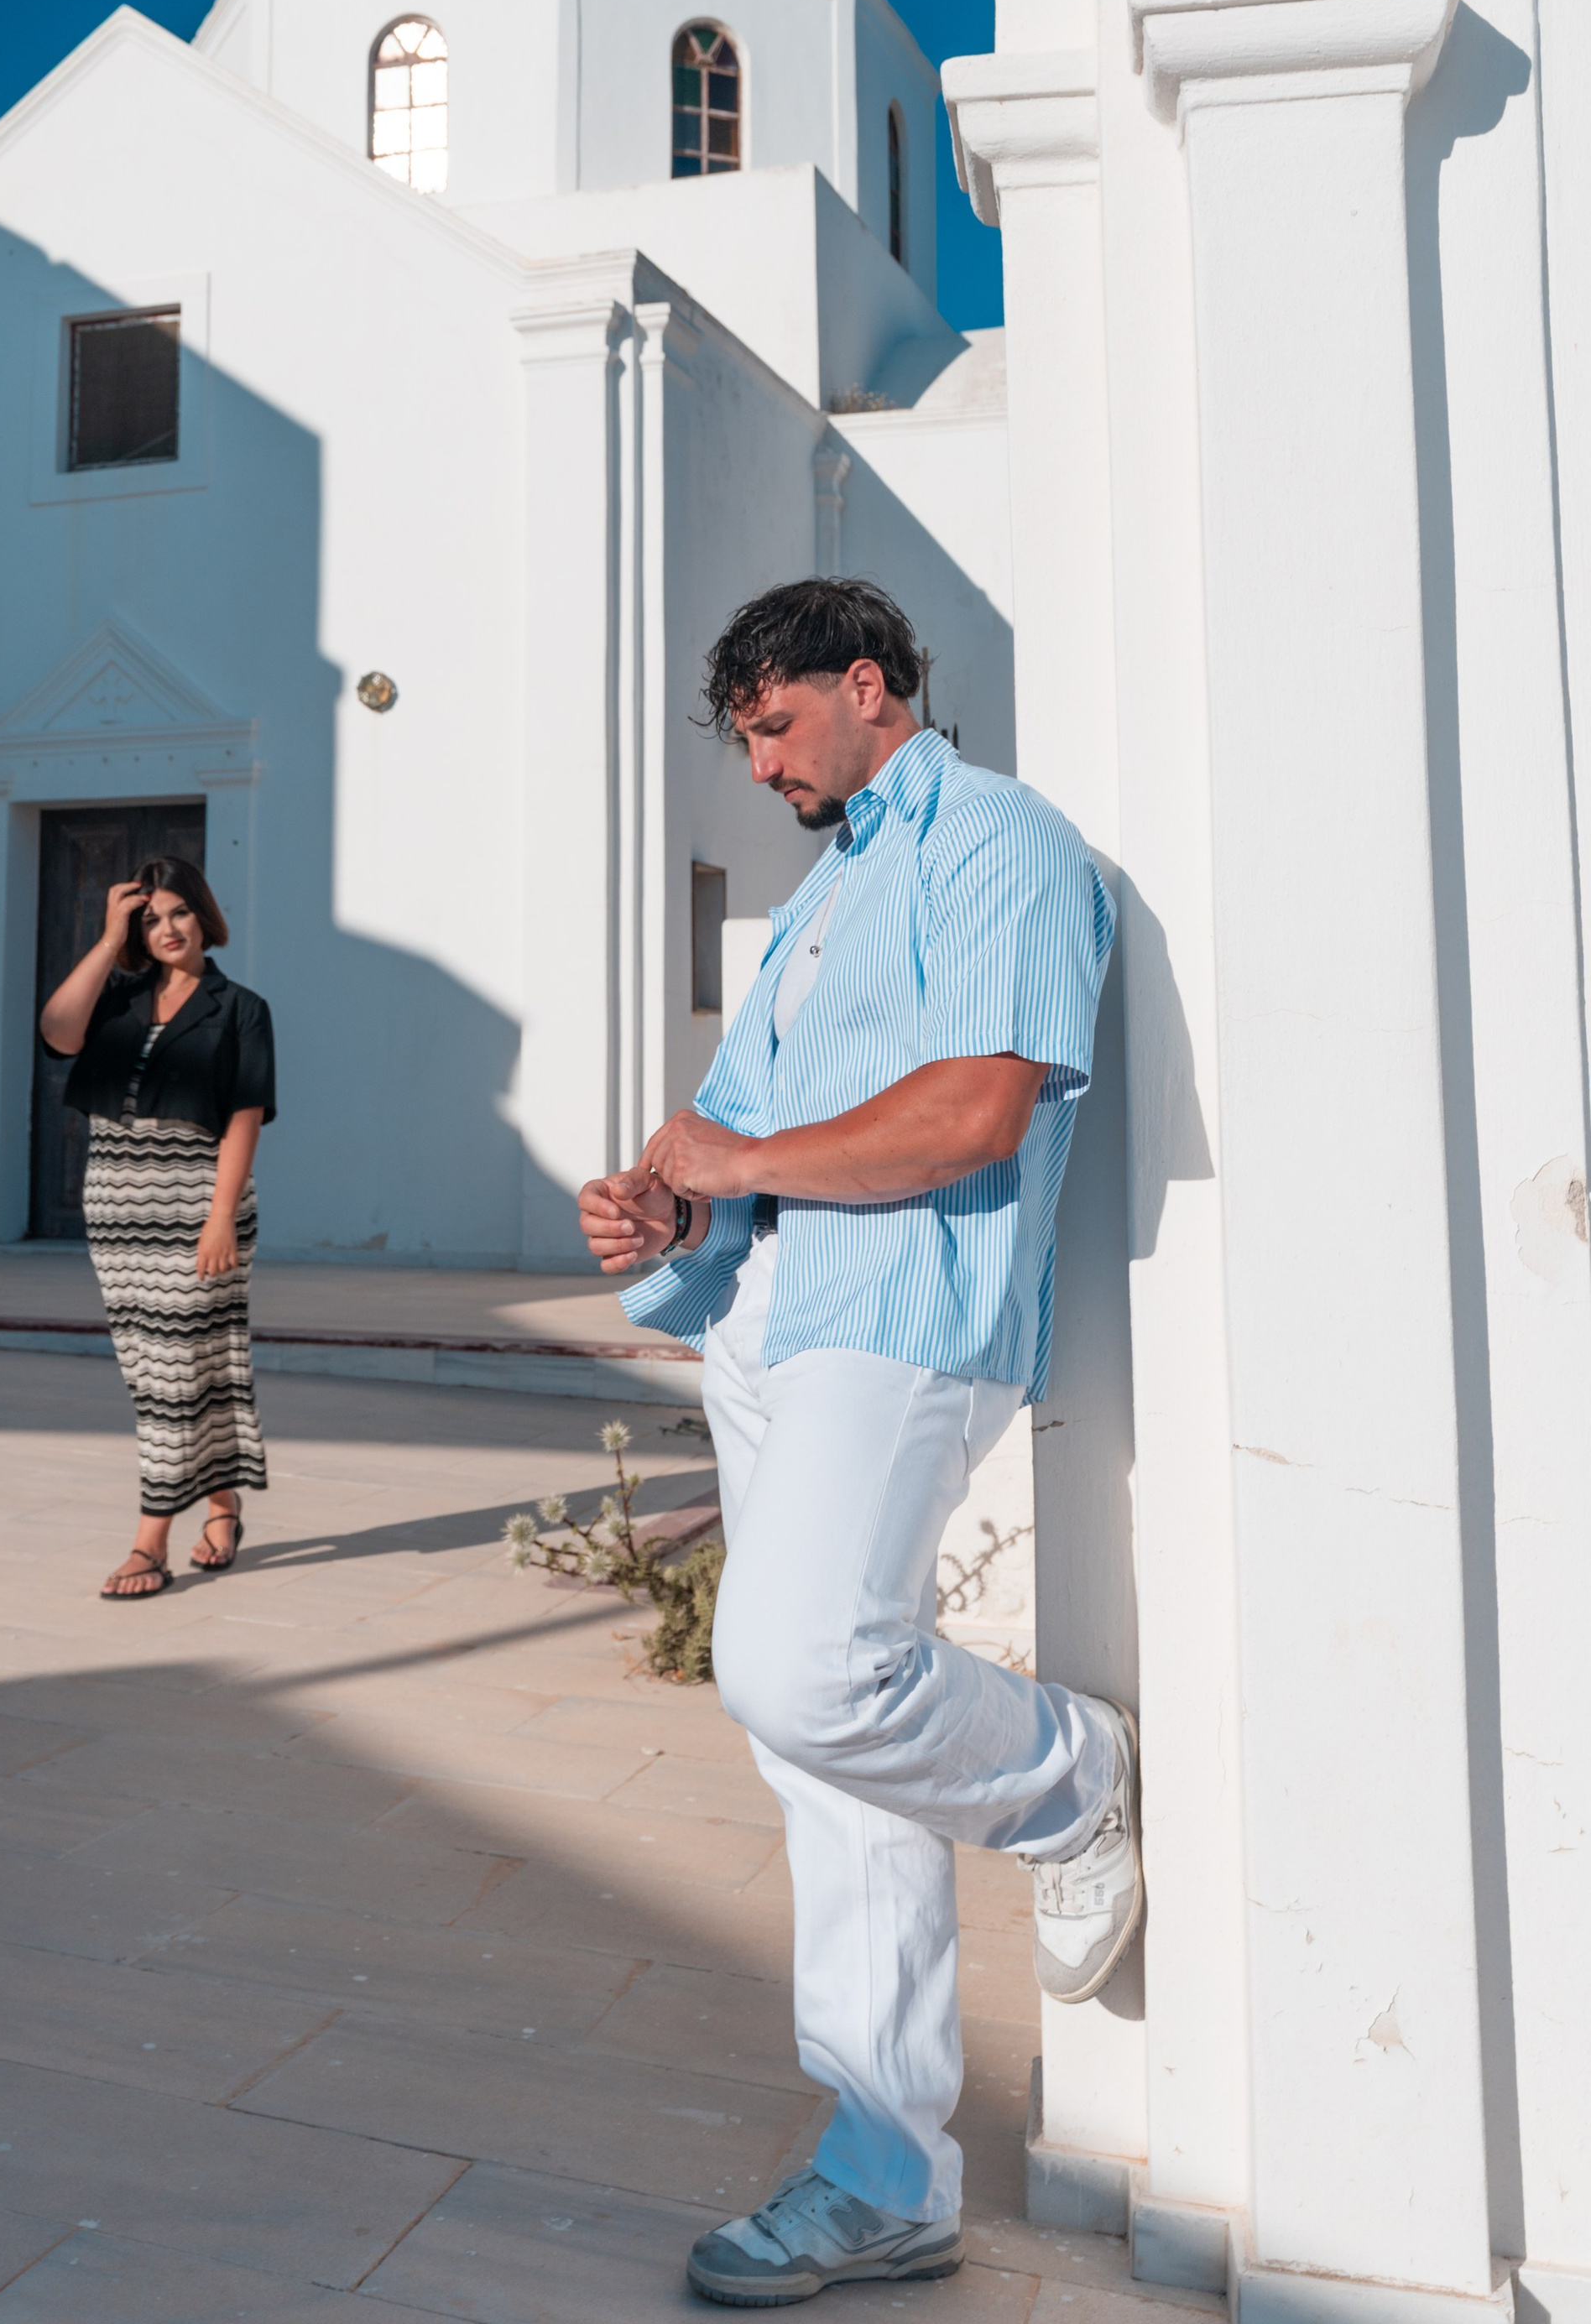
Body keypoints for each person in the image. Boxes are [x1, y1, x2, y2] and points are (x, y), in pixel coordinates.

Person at [579, 576, 1137, 2311]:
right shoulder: (825, 898)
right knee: (823, 1776)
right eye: (741, 737)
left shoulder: (1001, 847)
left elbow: (975, 1109)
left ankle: (1069, 1780)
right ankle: (883, 2176)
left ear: (867, 685)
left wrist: (733, 1161)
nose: (754, 767)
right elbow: (741, 1144)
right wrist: (659, 1205)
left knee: (805, 1670)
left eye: (768, 726)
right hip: (765, 1324)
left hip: (902, 1316)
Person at [39, 856, 275, 1597]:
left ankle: (149, 1543)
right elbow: (56, 1033)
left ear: (203, 914)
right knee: (159, 1373)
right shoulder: (118, 996)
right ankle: (223, 1504)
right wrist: (109, 938)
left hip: (197, 1198)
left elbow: (243, 1119)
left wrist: (219, 1221)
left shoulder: (241, 1007)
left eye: (178, 912)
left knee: (176, 1371)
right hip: (116, 1203)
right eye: (150, 918)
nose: (166, 928)